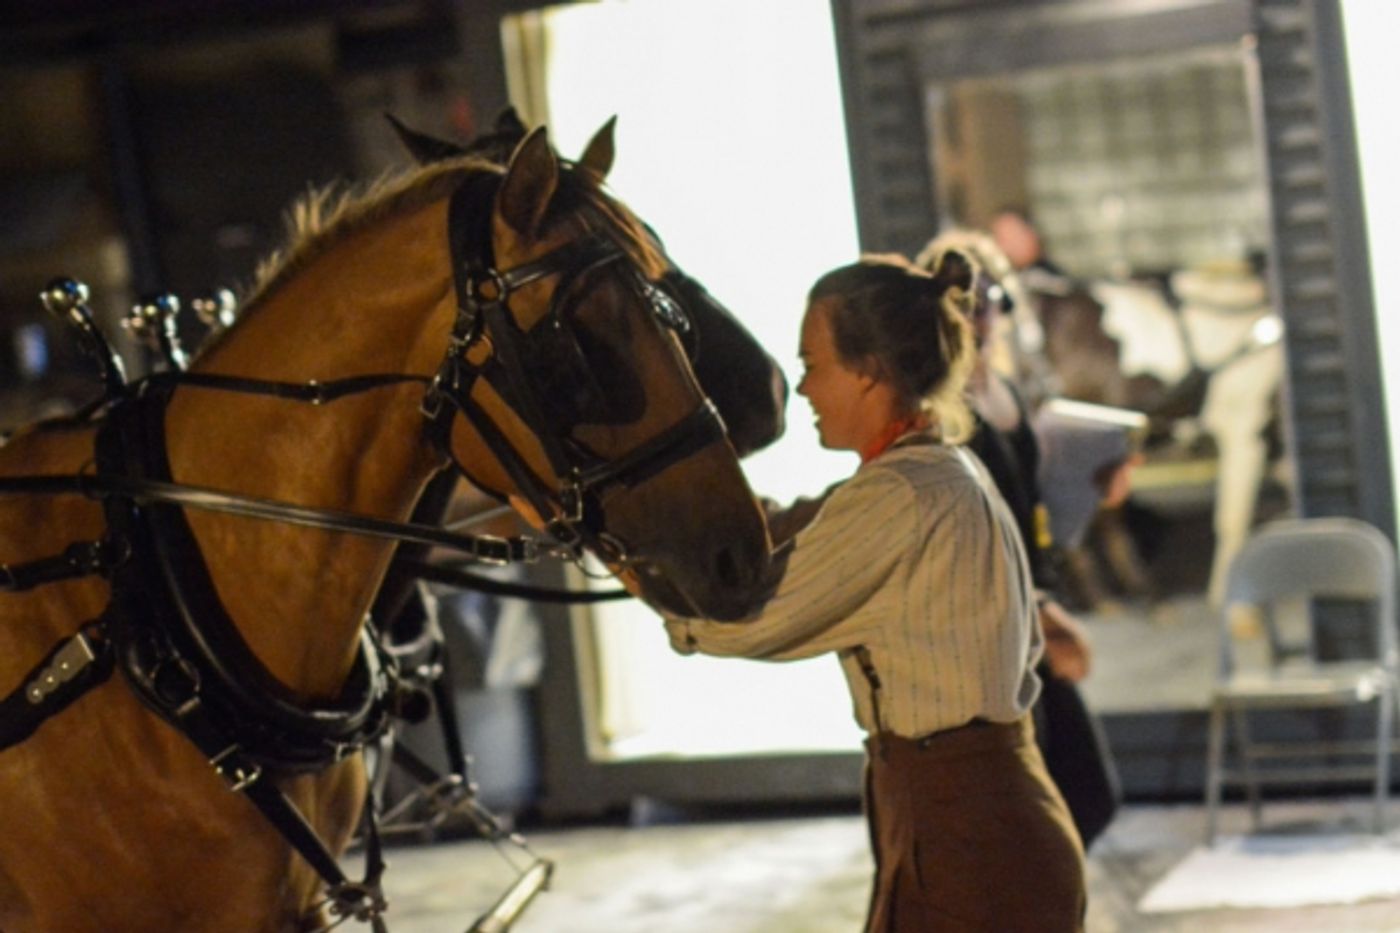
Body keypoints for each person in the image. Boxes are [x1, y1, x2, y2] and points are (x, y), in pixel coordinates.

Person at [659, 250, 1086, 931]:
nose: (801, 390)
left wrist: (633, 565)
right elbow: (799, 528)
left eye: (810, 366)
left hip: (964, 833)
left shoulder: (902, 496)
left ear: (869, 372)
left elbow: (748, 621)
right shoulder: (938, 473)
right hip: (970, 818)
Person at [916, 229, 1122, 852]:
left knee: (1082, 797)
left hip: (1033, 597)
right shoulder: (942, 407)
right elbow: (966, 525)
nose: (983, 315)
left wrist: (1094, 484)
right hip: (995, 622)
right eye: (964, 301)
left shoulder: (1005, 392)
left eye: (992, 297)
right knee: (1050, 806)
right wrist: (1037, 608)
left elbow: (1031, 504)